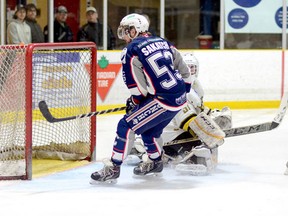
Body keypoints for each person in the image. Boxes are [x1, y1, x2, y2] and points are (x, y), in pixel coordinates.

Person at [90, 13, 192, 184]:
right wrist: (184, 89)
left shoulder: (131, 50)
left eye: (126, 30)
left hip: (163, 100)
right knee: (149, 131)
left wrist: (136, 102)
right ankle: (155, 162)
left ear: (135, 30)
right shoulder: (163, 41)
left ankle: (113, 168)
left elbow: (137, 87)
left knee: (126, 125)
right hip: (180, 98)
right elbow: (184, 69)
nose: (123, 34)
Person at [126, 53, 232, 175]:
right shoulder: (182, 90)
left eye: (192, 67)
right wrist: (209, 133)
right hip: (170, 134)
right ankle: (190, 159)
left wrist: (212, 115)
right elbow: (188, 119)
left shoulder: (193, 86)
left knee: (197, 133)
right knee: (204, 142)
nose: (189, 71)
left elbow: (197, 111)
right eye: (187, 67)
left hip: (168, 134)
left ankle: (165, 154)